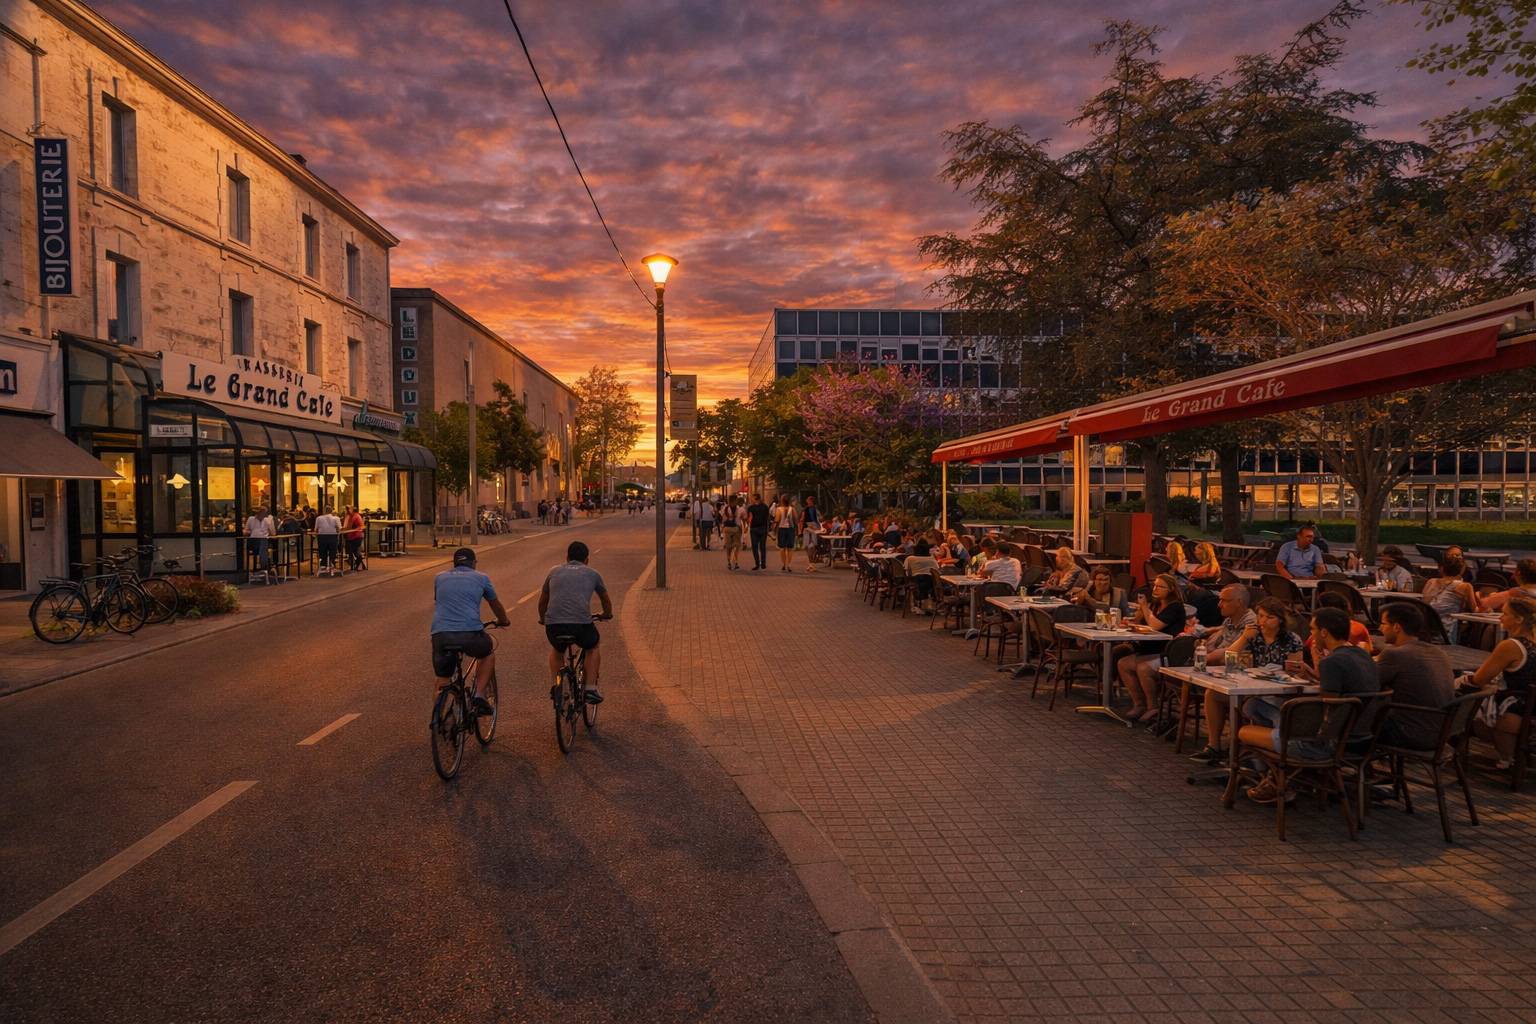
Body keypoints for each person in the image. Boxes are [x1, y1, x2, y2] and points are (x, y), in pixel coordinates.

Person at [1240, 607, 1379, 803]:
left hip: (1328, 745)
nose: (1311, 634)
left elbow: (1325, 708)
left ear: (1324, 632)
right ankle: (1278, 779)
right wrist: (1314, 676)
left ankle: (1276, 782)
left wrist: (1318, 666)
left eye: (1313, 629)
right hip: (1362, 739)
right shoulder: (1363, 656)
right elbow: (1337, 695)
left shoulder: (1332, 662)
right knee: (1254, 706)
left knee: (1245, 732)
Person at [1186, 585, 1260, 765]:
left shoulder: (1251, 623)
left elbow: (1230, 654)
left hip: (1246, 681)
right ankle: (1215, 747)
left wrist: (1207, 656)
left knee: (1211, 688)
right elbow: (1215, 644)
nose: (1219, 604)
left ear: (1239, 602)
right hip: (1224, 673)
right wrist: (1202, 644)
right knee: (1211, 693)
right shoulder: (1229, 621)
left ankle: (1241, 751)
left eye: (1224, 600)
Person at [431, 547, 510, 714]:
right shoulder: (481, 578)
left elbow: (439, 600)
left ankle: (438, 718)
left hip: (441, 634)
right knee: (487, 652)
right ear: (474, 563)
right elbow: (495, 604)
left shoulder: (439, 577)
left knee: (443, 677)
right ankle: (479, 694)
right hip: (470, 633)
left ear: (454, 563)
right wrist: (504, 620)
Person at [1464, 595, 1536, 769]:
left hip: (1516, 708)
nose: (1500, 617)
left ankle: (1507, 755)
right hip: (1532, 705)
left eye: (1504, 613)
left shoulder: (1511, 646)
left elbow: (1480, 679)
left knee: (1460, 697)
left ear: (1519, 619)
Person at [538, 540, 614, 703]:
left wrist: (543, 619)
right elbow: (606, 601)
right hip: (581, 625)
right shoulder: (593, 573)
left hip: (554, 625)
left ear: (567, 557)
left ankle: (558, 686)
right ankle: (590, 689)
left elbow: (542, 602)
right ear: (587, 560)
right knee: (592, 647)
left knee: (558, 650)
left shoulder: (553, 572)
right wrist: (606, 614)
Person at [1375, 602, 1455, 749]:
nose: (1380, 628)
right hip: (1442, 734)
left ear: (1396, 627)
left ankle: (1344, 764)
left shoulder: (1395, 654)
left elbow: (1367, 684)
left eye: (1383, 623)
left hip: (1411, 734)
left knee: (1351, 722)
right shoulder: (1438, 652)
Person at [1116, 573, 1187, 724]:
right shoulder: (1155, 604)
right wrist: (1134, 619)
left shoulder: (1175, 607)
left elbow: (1155, 625)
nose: (1155, 589)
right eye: (1155, 585)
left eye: (1160, 586)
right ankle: (1138, 704)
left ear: (1171, 589)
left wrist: (1144, 607)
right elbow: (1143, 622)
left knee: (1143, 669)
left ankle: (1152, 707)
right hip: (1149, 649)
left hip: (1166, 653)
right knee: (1123, 663)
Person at [1421, 554, 1478, 640]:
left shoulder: (1431, 582)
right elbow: (1473, 610)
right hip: (1447, 631)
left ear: (1442, 570)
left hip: (1425, 628)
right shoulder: (1465, 586)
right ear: (1462, 571)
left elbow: (1424, 602)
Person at [244, 505, 275, 576]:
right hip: (254, 541)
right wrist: (251, 532)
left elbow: (272, 532)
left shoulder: (267, 520)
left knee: (263, 542)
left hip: (263, 540)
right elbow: (246, 530)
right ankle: (264, 566)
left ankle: (263, 565)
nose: (264, 515)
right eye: (263, 513)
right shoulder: (251, 519)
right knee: (263, 543)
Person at [745, 493, 772, 570]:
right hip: (763, 527)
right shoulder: (765, 507)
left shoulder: (751, 508)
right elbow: (768, 517)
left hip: (754, 528)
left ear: (755, 498)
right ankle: (763, 563)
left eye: (752, 498)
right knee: (762, 546)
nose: (751, 499)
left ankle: (757, 563)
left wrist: (748, 527)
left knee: (755, 546)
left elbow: (750, 517)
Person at [773, 495, 799, 572]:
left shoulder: (778, 509)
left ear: (781, 501)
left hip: (781, 529)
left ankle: (783, 564)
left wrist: (774, 530)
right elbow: (796, 520)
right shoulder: (792, 509)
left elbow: (777, 520)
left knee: (782, 548)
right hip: (790, 529)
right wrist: (797, 530)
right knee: (790, 548)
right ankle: (789, 564)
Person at [314, 505, 341, 577]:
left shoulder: (318, 518)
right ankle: (332, 563)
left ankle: (323, 564)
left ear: (324, 511)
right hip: (332, 536)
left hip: (322, 537)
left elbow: (316, 529)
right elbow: (339, 528)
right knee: (332, 550)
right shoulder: (336, 518)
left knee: (323, 551)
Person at [721, 496, 744, 571]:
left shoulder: (725, 508)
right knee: (737, 545)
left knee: (728, 546)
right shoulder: (739, 509)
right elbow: (741, 519)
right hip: (735, 528)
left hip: (727, 528)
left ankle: (728, 561)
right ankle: (735, 561)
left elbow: (722, 518)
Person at [800, 495, 822, 572]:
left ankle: (811, 563)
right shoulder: (811, 509)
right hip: (810, 529)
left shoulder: (811, 509)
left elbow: (816, 518)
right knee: (811, 546)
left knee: (811, 546)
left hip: (811, 528)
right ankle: (811, 563)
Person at [342, 505, 366, 572]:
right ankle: (360, 565)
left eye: (348, 509)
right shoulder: (350, 516)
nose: (347, 511)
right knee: (353, 551)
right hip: (352, 536)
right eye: (346, 509)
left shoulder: (355, 516)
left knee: (355, 551)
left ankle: (356, 565)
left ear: (352, 509)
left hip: (356, 536)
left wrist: (342, 529)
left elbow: (349, 527)